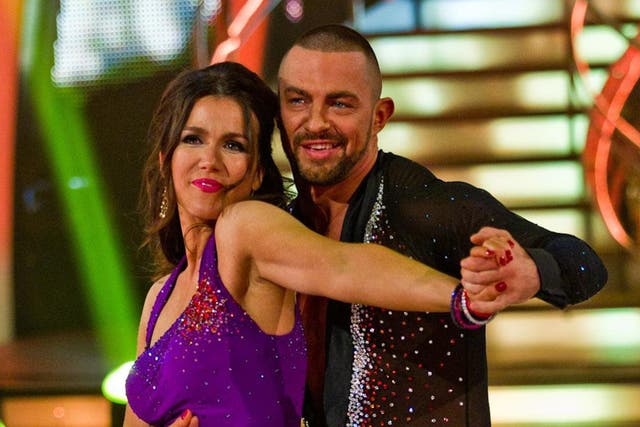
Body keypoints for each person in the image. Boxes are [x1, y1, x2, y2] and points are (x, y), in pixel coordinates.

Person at [122, 62, 504, 427]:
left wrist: (462, 298)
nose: (210, 160)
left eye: (234, 145)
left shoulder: (243, 229)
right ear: (165, 158)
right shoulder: (158, 298)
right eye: (193, 139)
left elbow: (344, 266)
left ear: (257, 173)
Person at [276, 24, 608, 426]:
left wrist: (533, 272)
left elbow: (584, 263)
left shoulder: (424, 206)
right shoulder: (280, 223)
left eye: (340, 104)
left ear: (379, 116)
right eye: (298, 100)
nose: (315, 122)